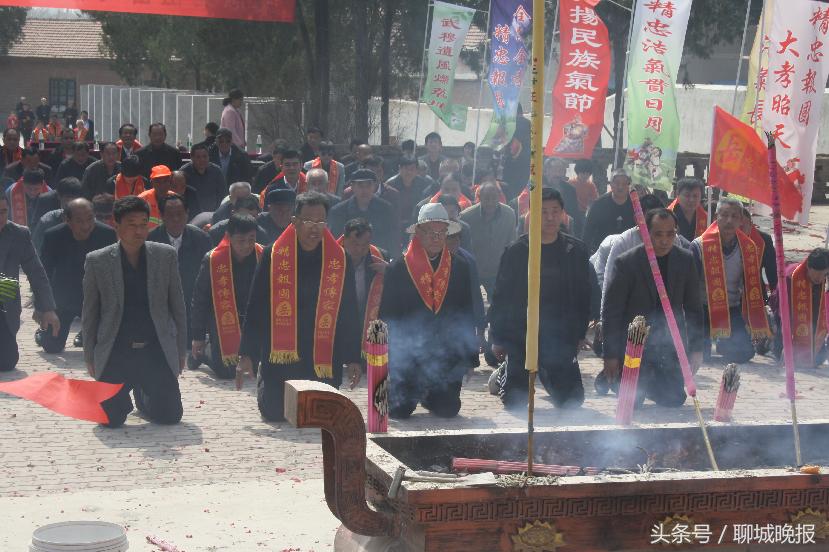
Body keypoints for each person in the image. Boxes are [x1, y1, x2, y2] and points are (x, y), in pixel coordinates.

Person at [236, 191, 362, 421]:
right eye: (308, 221)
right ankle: (267, 379)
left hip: (322, 353)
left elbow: (350, 312)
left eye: (320, 221)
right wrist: (247, 353)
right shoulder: (273, 254)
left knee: (320, 414)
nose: (315, 228)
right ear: (294, 221)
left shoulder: (340, 259)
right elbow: (256, 306)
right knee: (276, 413)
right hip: (282, 353)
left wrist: (354, 357)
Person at [82, 196, 187, 427]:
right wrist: (90, 356)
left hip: (155, 349)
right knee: (110, 420)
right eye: (132, 224)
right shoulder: (97, 261)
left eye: (143, 224)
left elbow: (177, 307)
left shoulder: (165, 255)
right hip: (116, 351)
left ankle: (143, 395)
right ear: (116, 225)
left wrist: (180, 351)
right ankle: (123, 396)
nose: (139, 231)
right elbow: (90, 313)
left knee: (170, 416)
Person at [489, 188, 593, 410]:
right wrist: (498, 337)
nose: (550, 218)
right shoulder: (517, 251)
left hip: (559, 336)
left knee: (572, 401)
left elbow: (584, 295)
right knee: (515, 403)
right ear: (532, 214)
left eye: (555, 211)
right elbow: (501, 296)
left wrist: (579, 334)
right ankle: (505, 374)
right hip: (522, 335)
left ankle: (547, 374)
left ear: (563, 213)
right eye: (543, 212)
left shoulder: (575, 250)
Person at [379, 203, 478, 418]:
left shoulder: (459, 266)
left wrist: (469, 359)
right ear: (418, 233)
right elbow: (387, 315)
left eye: (441, 232)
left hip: (445, 353)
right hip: (409, 355)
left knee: (448, 409)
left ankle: (431, 394)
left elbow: (465, 312)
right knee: (398, 412)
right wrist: (386, 358)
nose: (436, 238)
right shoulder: (398, 268)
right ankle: (409, 391)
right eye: (430, 232)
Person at [600, 208, 703, 405]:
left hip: (668, 342)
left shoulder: (685, 260)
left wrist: (697, 348)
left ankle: (652, 381)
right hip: (634, 342)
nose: (664, 240)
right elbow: (612, 311)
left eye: (670, 234)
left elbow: (694, 308)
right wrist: (610, 355)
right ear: (646, 233)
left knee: (673, 400)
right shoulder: (627, 262)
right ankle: (616, 376)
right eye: (658, 234)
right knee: (632, 402)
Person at [690, 197, 770, 364]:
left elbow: (753, 284)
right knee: (699, 356)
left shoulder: (748, 248)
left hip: (731, 309)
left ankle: (723, 342)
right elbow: (688, 287)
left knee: (744, 353)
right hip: (703, 309)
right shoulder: (699, 246)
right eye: (724, 215)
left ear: (741, 220)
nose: (729, 221)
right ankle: (709, 340)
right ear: (716, 217)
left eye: (734, 216)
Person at [39, 198, 116, 353]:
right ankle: (43, 331)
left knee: (100, 347)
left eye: (90, 219)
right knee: (51, 346)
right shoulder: (52, 236)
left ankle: (86, 332)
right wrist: (43, 307)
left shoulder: (107, 235)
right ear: (67, 220)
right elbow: (43, 274)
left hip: (94, 300)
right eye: (79, 221)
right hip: (63, 299)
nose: (86, 226)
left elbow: (113, 273)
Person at [191, 213, 262, 378]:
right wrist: (198, 336)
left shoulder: (262, 255)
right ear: (229, 237)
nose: (246, 246)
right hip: (222, 319)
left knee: (256, 368)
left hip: (252, 319)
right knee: (227, 371)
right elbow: (199, 299)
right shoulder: (212, 259)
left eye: (251, 239)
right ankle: (206, 351)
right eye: (241, 240)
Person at [0, 194, 59, 371]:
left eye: (3, 212)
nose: (0, 217)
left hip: (4, 299)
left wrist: (47, 308)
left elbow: (36, 273)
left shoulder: (19, 234)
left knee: (6, 362)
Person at [147, 192, 212, 346]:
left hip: (191, 299)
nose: (176, 219)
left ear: (187, 214)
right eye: (170, 215)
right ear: (162, 216)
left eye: (180, 214)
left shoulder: (201, 239)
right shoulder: (150, 240)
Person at [339, 218, 388, 362]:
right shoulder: (330, 258)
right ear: (344, 239)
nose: (359, 249)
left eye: (365, 244)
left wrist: (389, 272)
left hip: (368, 325)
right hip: (340, 328)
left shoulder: (380, 257)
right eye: (355, 244)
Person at [771, 248, 829, 369]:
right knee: (785, 355)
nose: (819, 279)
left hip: (812, 321)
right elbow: (784, 312)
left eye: (823, 274)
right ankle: (769, 337)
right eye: (816, 274)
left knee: (818, 358)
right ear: (808, 266)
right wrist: (787, 343)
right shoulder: (790, 278)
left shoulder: (825, 280)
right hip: (786, 319)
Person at [460, 181, 517, 296]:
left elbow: (512, 243)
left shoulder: (509, 214)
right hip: (474, 271)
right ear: (479, 197)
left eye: (494, 198)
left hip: (497, 271)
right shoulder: (466, 216)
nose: (490, 202)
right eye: (486, 198)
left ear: (499, 197)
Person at [327, 169, 398, 257]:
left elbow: (393, 239)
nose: (365, 190)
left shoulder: (386, 209)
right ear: (352, 187)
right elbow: (335, 241)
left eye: (368, 185)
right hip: (349, 259)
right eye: (360, 186)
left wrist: (392, 263)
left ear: (374, 186)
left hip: (378, 258)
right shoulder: (338, 211)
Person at [583, 169, 635, 254]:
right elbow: (588, 232)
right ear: (610, 184)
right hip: (601, 251)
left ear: (629, 185)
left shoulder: (636, 205)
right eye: (617, 183)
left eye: (624, 183)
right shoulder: (598, 204)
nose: (620, 187)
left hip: (628, 252)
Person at [384, 155, 431, 247]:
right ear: (399, 169)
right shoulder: (390, 185)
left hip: (417, 224)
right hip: (396, 225)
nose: (409, 172)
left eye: (412, 169)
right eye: (405, 168)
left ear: (417, 170)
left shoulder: (424, 184)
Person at [32, 176, 84, 254]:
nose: (70, 202)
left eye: (74, 198)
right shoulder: (47, 221)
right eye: (67, 198)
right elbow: (36, 249)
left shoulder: (87, 221)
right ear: (59, 197)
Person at [180, 143, 226, 212]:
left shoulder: (217, 171)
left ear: (208, 157)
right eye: (198, 157)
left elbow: (223, 194)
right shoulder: (184, 172)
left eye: (205, 156)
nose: (202, 160)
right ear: (192, 158)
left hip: (213, 213)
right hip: (191, 214)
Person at [501, 105, 531, 201]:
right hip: (527, 164)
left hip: (512, 164)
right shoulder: (529, 124)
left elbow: (512, 145)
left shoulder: (512, 123)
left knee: (510, 194)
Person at [669, 177, 708, 241]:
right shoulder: (669, 215)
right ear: (677, 194)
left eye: (695, 196)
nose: (691, 200)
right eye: (687, 195)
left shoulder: (706, 218)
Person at [138, 165, 175, 229]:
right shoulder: (142, 199)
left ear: (170, 182)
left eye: (165, 181)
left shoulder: (175, 199)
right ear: (152, 183)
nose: (162, 185)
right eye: (158, 181)